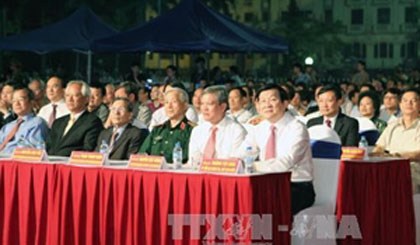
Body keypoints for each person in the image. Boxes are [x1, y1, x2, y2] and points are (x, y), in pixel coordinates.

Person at [238, 84, 314, 215]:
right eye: (262, 101)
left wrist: (253, 166)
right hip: (264, 183)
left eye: (273, 100)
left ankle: (273, 235)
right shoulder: (258, 128)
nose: (267, 105)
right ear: (257, 106)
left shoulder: (297, 128)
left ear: (285, 103)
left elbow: (286, 163)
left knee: (262, 204)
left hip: (295, 186)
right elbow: (242, 154)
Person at [372, 88, 420, 193]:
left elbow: (418, 154)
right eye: (405, 101)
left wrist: (398, 157)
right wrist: (377, 153)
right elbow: (379, 147)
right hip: (390, 167)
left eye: (413, 100)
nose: (409, 104)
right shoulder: (392, 125)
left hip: (413, 169)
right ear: (400, 104)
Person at [188, 86, 247, 162]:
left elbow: (235, 163)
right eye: (202, 104)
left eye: (209, 104)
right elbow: (193, 161)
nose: (204, 108)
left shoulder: (237, 131)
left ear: (222, 107)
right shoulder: (197, 131)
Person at [46, 80, 103, 156]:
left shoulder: (92, 122)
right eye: (67, 95)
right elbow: (48, 147)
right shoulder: (58, 122)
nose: (70, 99)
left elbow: (88, 149)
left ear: (86, 99)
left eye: (75, 96)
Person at [139, 88, 195, 163]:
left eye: (174, 102)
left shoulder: (192, 130)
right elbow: (142, 154)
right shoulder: (158, 130)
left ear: (185, 105)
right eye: (166, 102)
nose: (169, 106)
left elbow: (190, 160)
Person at [0, 86, 48, 153]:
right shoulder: (7, 127)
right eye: (14, 101)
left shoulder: (37, 123)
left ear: (31, 102)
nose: (17, 104)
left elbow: (34, 150)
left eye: (21, 100)